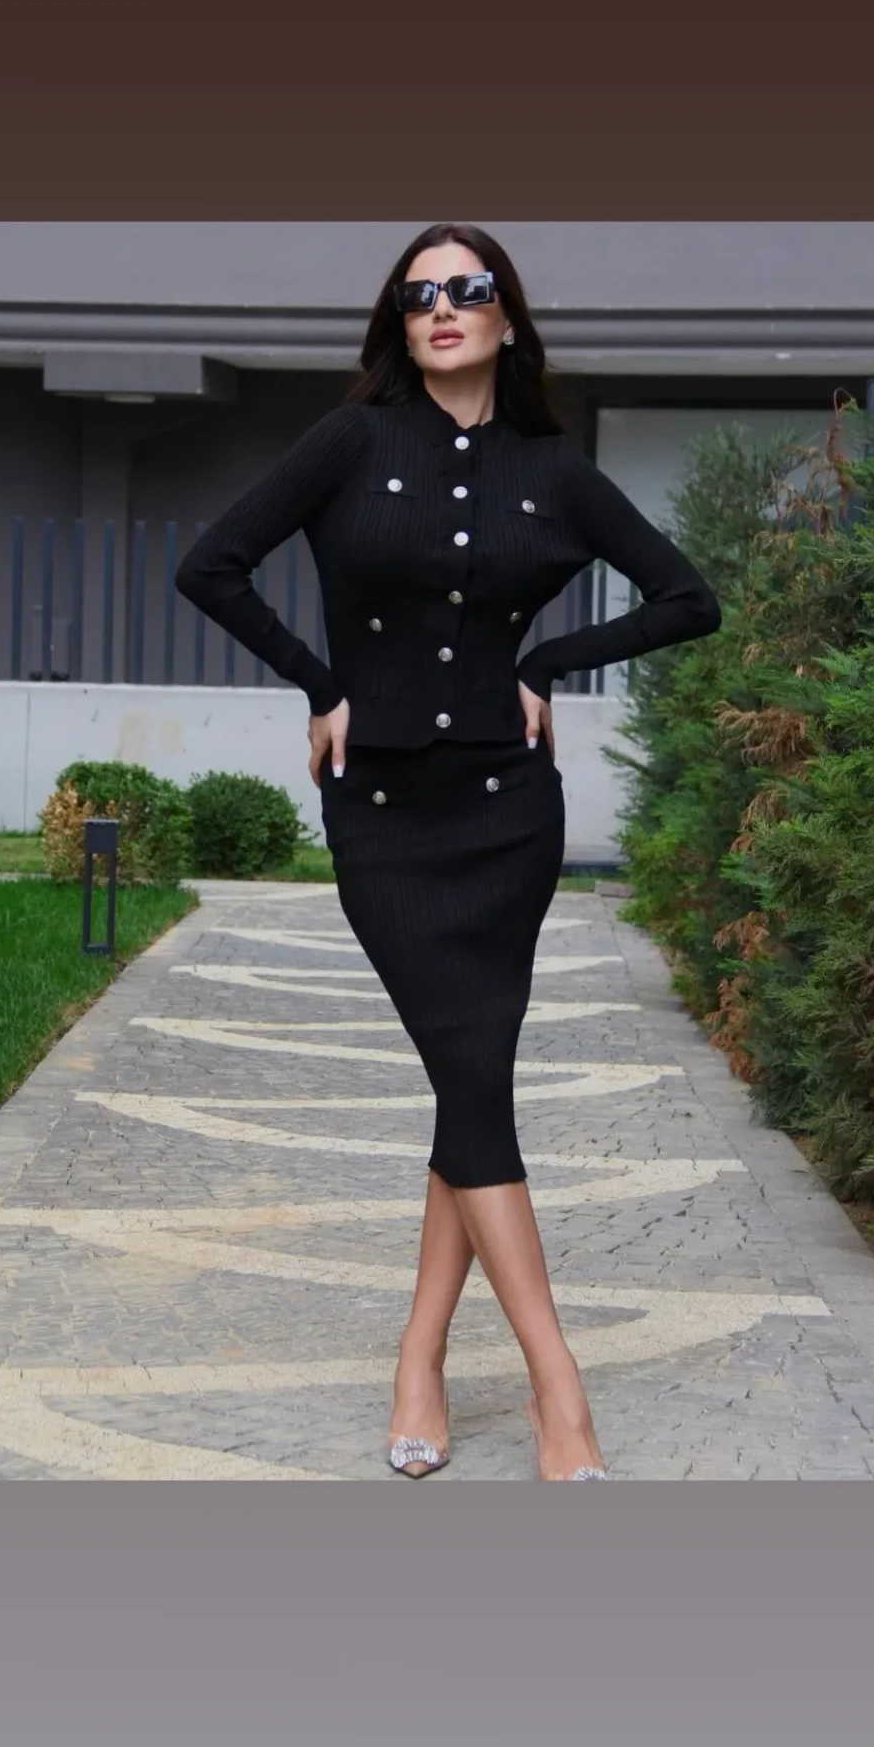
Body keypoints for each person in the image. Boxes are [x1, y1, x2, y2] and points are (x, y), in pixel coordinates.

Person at [175, 222, 722, 1481]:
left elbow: (687, 597)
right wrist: (322, 682)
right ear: (399, 321)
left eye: (466, 289)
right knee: (469, 1076)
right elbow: (210, 565)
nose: (441, 308)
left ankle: (422, 1358)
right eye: (417, 294)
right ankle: (557, 1387)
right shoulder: (351, 441)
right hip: (381, 812)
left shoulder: (554, 469)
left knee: (470, 1085)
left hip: (506, 813)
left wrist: (548, 662)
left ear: (506, 318)